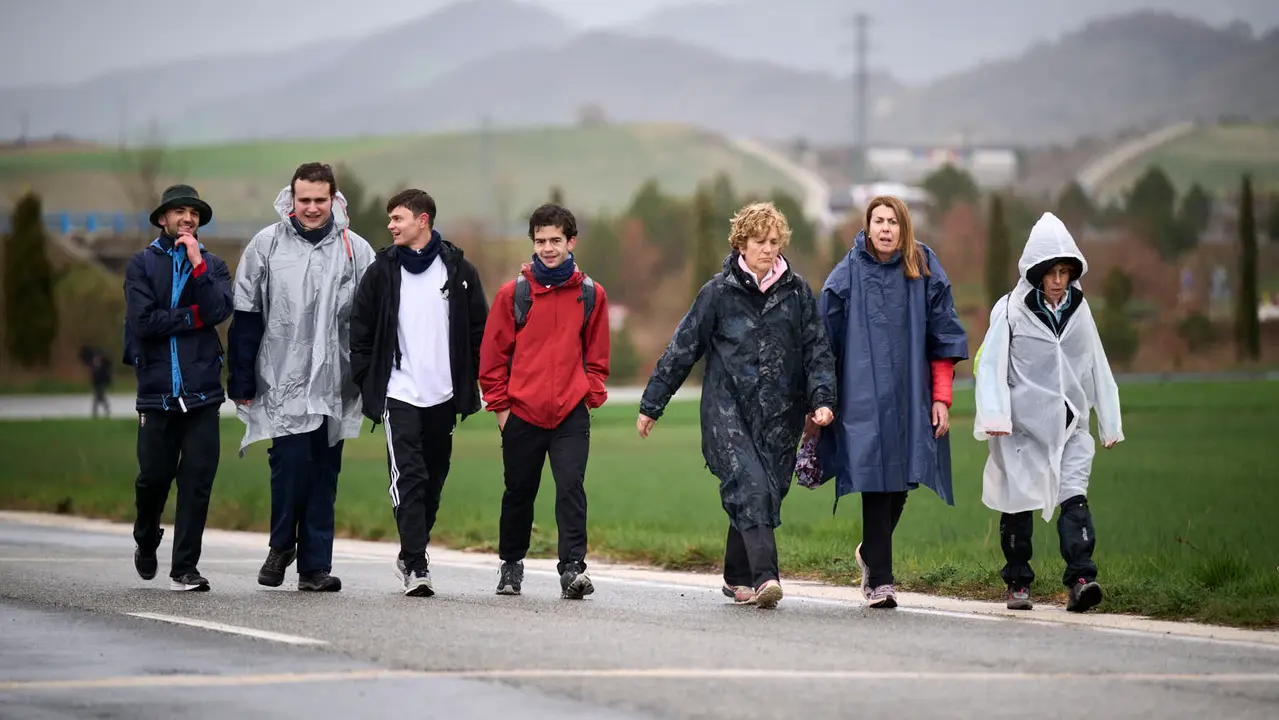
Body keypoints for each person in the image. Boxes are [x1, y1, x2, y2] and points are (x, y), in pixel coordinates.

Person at [637, 202, 837, 609]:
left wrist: (822, 399)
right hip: (725, 411)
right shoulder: (718, 292)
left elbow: (817, 349)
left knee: (765, 492)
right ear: (741, 243)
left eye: (774, 241)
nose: (768, 249)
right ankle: (767, 578)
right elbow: (682, 349)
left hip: (781, 416)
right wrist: (652, 403)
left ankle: (735, 576)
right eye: (759, 241)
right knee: (750, 485)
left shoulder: (797, 293)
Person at [227, 163, 376, 593]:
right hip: (283, 376)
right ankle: (280, 546)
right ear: (290, 199)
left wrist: (367, 380)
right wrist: (241, 382)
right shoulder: (266, 246)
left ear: (334, 200)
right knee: (289, 464)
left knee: (325, 472)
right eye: (304, 200)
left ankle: (314, 567)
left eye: (319, 200)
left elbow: (369, 323)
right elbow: (247, 313)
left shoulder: (355, 250)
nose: (311, 208)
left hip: (335, 381)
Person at [815, 195, 969, 609]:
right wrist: (822, 396)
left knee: (902, 480)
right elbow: (821, 338)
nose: (885, 229)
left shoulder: (923, 267)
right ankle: (881, 580)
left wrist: (941, 398)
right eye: (877, 221)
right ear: (866, 227)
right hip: (862, 398)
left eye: (892, 221)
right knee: (873, 478)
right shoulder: (848, 273)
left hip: (911, 396)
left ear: (904, 227)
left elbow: (943, 335)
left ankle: (870, 551)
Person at [973, 211, 1123, 613]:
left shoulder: (1081, 311)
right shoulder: (1010, 310)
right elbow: (990, 364)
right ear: (1036, 272)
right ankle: (1018, 581)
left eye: (1065, 271)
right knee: (1018, 503)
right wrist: (995, 417)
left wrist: (1109, 421)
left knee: (1074, 500)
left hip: (1070, 425)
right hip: (1020, 430)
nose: (1058, 280)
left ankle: (1081, 579)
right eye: (1051, 271)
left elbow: (1097, 364)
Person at [349, 189, 489, 597]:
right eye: (391, 219)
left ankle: (414, 546)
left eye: (398, 218)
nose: (391, 225)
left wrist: (472, 378)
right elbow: (360, 330)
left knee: (433, 479)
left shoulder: (458, 270)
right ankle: (415, 561)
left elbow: (478, 329)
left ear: (422, 220)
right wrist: (367, 378)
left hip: (443, 395)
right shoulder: (381, 272)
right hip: (399, 392)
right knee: (408, 476)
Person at [478, 203, 610, 599]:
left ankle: (572, 570)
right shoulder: (512, 294)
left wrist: (589, 395)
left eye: (555, 240)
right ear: (532, 243)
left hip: (571, 413)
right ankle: (511, 565)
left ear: (571, 241)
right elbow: (492, 358)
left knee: (571, 488)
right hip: (522, 413)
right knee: (519, 492)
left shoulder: (590, 295)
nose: (548, 248)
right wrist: (502, 409)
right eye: (540, 241)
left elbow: (597, 357)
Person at [123, 184, 234, 591]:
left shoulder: (214, 265)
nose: (188, 218)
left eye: (194, 213)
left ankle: (184, 568)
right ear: (162, 219)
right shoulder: (140, 265)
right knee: (153, 478)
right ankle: (146, 536)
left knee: (197, 482)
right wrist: (191, 317)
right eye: (179, 212)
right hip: (156, 393)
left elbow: (219, 310)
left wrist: (197, 266)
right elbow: (143, 323)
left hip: (203, 394)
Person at [80, 346, 112, 418]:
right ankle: (105, 409)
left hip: (101, 383)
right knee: (100, 397)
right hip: (95, 383)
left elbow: (105, 373)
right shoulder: (94, 364)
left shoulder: (103, 364)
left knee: (98, 397)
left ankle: (95, 412)